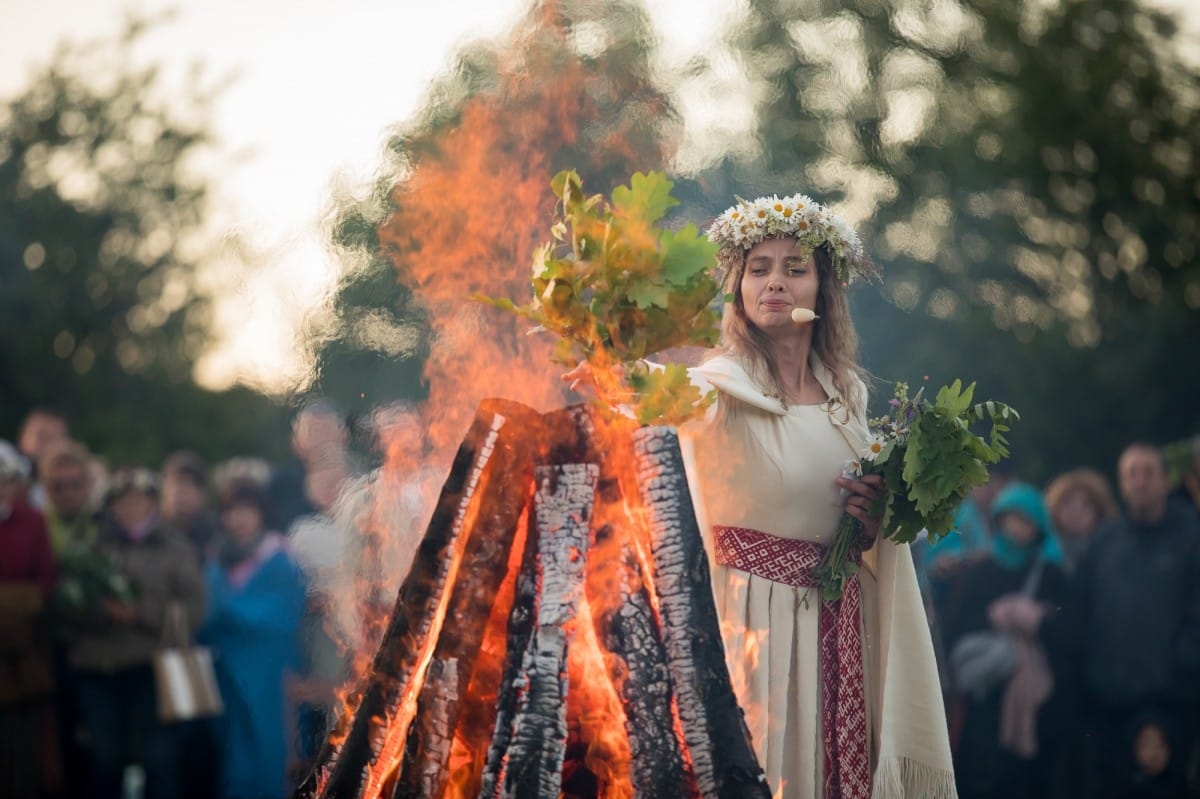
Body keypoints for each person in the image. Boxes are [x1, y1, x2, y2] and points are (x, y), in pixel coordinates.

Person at [569, 193, 956, 798]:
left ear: (822, 288)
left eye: (794, 267)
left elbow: (870, 525)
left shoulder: (846, 400)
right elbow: (633, 421)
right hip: (748, 625)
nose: (775, 281)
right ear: (740, 288)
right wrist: (605, 380)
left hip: (840, 627)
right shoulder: (710, 389)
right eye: (758, 268)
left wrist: (876, 521)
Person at [1067, 443, 1200, 799]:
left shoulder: (1191, 535)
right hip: (1109, 704)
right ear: (1121, 483)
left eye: (1148, 472)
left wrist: (1183, 667)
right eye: (1131, 474)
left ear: (1165, 479)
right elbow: (1081, 611)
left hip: (1172, 702)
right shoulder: (1104, 541)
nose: (1140, 482)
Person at [66, 467, 206, 799]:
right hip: (98, 668)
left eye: (138, 501)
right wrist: (102, 610)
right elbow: (68, 608)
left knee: (160, 759)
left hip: (153, 667)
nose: (130, 508)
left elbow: (194, 609)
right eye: (122, 502)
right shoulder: (92, 546)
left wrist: (140, 614)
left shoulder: (174, 547)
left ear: (152, 504)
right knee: (105, 759)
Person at [940, 483, 1071, 799]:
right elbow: (954, 628)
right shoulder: (979, 570)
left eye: (1024, 520)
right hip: (983, 702)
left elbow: (1068, 631)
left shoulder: (1052, 574)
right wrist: (998, 620)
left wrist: (1034, 621)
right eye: (1010, 518)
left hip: (1037, 705)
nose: (1016, 527)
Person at [199, 480, 307, 799]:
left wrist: (226, 609)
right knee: (235, 750)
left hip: (270, 671)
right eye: (231, 511)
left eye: (246, 510)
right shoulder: (218, 557)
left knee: (272, 748)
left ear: (262, 513)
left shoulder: (280, 556)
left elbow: (284, 612)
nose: (238, 519)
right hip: (227, 670)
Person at [0, 439, 58, 798]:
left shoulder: (32, 520)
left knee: (22, 749)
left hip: (23, 653)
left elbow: (46, 580)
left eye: (6, 479)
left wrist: (18, 606)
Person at [1043, 468, 1118, 575]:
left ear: (1099, 510)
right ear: (1055, 508)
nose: (1076, 513)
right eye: (1068, 504)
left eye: (1086, 505)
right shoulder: (1042, 557)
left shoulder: (1114, 553)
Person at [161, 450, 219, 563]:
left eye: (190, 485)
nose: (182, 491)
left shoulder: (215, 537)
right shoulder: (145, 532)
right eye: (177, 483)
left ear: (203, 495)